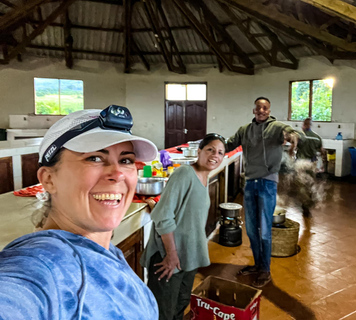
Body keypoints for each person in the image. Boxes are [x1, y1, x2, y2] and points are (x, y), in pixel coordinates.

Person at [0, 106, 159, 319]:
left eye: (126, 160)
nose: (118, 173)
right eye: (94, 158)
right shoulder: (40, 265)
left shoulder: (105, 252)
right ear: (48, 179)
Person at [141, 133, 226, 320]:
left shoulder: (204, 178)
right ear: (199, 151)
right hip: (169, 258)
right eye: (210, 149)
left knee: (179, 306)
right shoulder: (185, 173)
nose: (215, 155)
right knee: (163, 312)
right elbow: (164, 216)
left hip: (188, 257)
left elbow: (181, 212)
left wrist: (156, 205)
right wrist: (171, 255)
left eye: (220, 152)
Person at [226, 97, 299, 288]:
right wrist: (212, 147)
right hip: (250, 183)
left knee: (265, 230)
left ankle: (265, 270)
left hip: (267, 183)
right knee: (251, 229)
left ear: (269, 110)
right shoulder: (245, 130)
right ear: (254, 110)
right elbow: (229, 144)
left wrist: (292, 138)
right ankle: (257, 265)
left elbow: (290, 132)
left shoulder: (275, 127)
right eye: (258, 107)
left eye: (265, 108)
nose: (261, 110)